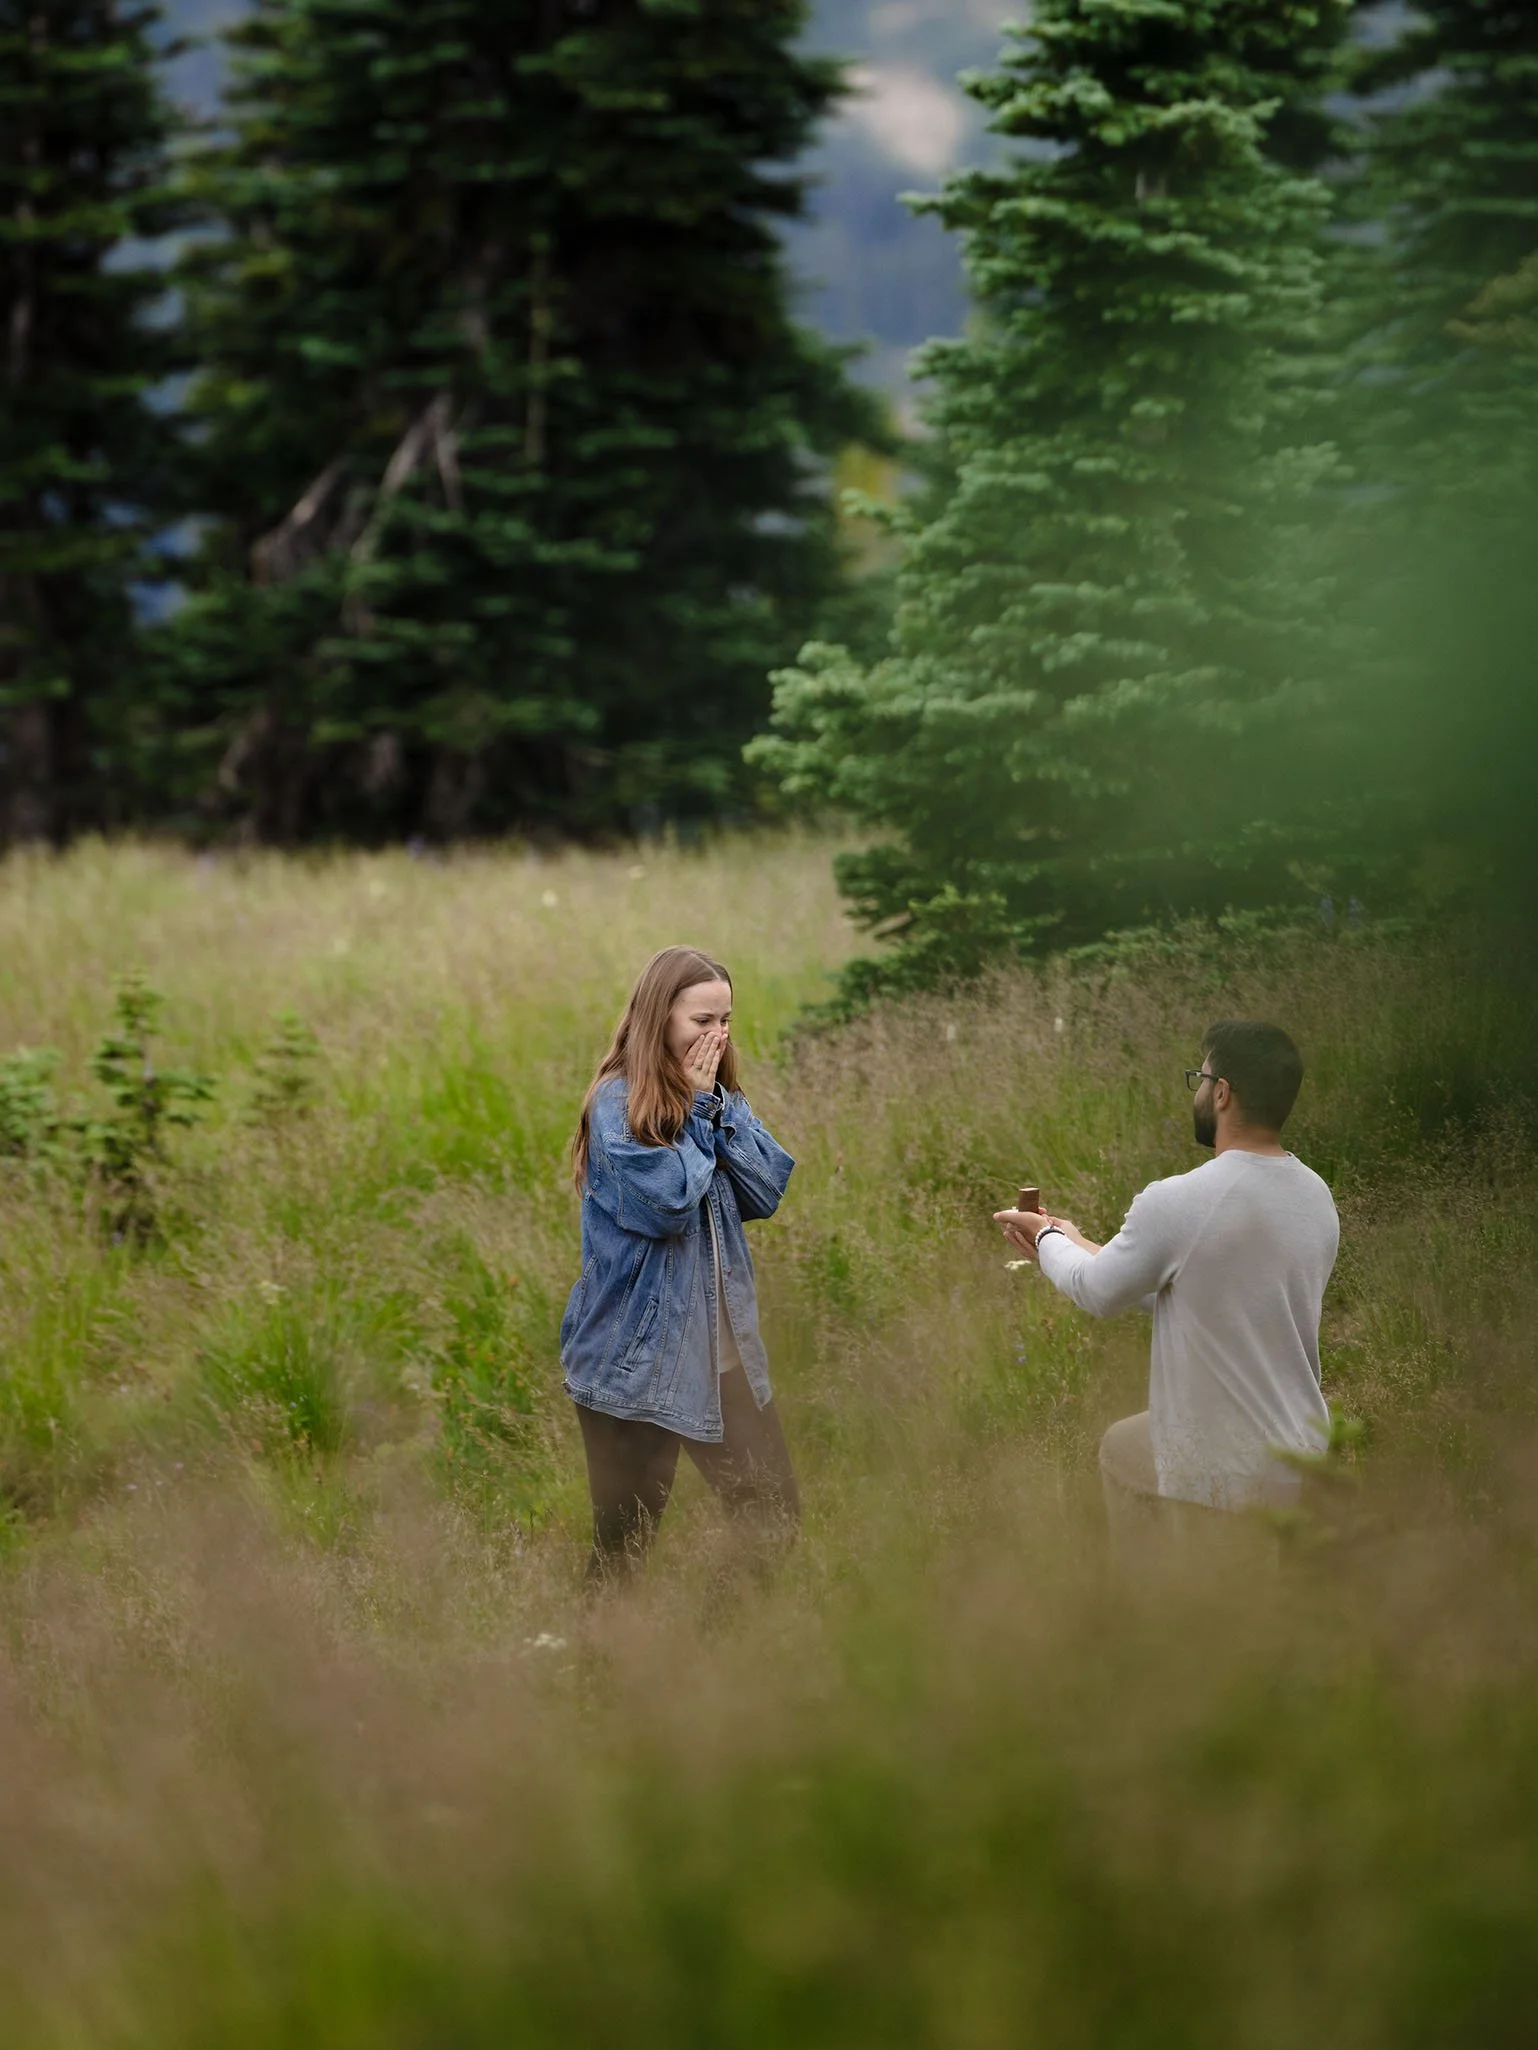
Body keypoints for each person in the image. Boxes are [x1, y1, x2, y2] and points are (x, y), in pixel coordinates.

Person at [995, 1020, 1338, 1530]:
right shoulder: (1315, 1197)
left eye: (1199, 1079)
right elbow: (1192, 1291)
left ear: (1222, 1094)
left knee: (1223, 1605)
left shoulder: (1179, 1199)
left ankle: (1152, 1600)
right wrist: (1072, 1239)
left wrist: (1044, 1243)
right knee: (1123, 1445)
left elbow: (1097, 1291)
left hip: (1226, 1470)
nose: (1197, 1092)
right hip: (1303, 1452)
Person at [562, 945, 800, 1580]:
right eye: (702, 1022)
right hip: (635, 1367)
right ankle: (596, 1675)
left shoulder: (718, 1095)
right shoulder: (616, 1104)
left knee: (773, 1519)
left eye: (725, 1020)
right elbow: (665, 1205)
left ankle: (720, 1664)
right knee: (625, 1547)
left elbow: (765, 1190)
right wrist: (694, 1110)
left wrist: (712, 1107)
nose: (717, 1036)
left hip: (725, 1361)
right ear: (658, 1018)